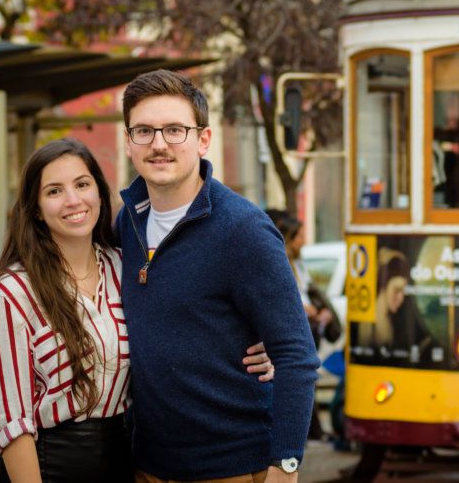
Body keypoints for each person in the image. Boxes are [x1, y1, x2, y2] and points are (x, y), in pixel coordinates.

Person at [0, 138, 273, 483]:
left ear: (100, 193)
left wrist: (254, 349)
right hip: (49, 466)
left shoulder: (124, 267)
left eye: (82, 184)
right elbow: (13, 422)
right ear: (37, 209)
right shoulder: (13, 291)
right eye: (54, 191)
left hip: (124, 461)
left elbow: (183, 323)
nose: (73, 200)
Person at [116, 69, 320, 482]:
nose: (159, 144)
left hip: (233, 468)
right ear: (128, 143)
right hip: (149, 466)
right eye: (144, 131)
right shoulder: (127, 221)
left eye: (175, 130)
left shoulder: (243, 230)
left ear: (203, 140)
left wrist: (286, 466)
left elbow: (296, 355)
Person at [266, 208, 341, 441]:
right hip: (298, 324)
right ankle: (308, 431)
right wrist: (306, 309)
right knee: (300, 376)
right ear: (289, 238)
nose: (304, 241)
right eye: (299, 236)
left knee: (307, 376)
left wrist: (322, 311)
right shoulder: (279, 261)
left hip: (310, 325)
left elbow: (309, 291)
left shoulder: (299, 263)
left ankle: (312, 430)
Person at [355, 248, 434, 356]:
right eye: (397, 290)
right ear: (383, 285)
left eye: (403, 292)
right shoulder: (367, 325)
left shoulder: (400, 321)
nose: (401, 299)